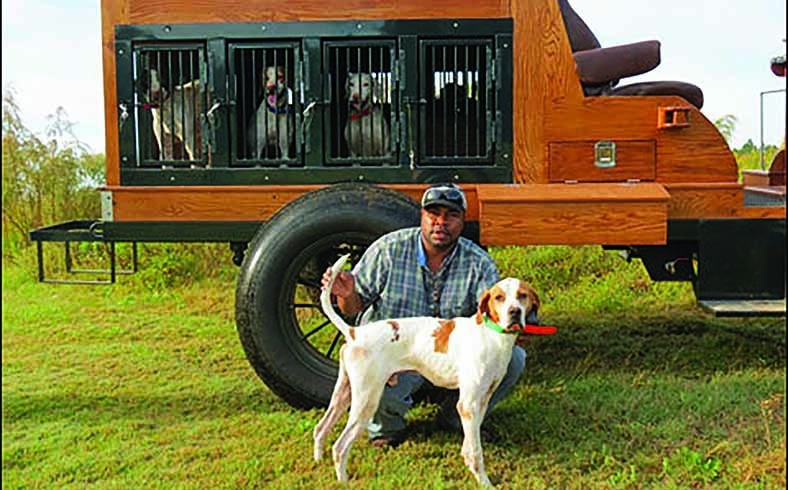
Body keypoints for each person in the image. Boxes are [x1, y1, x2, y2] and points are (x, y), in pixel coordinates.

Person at [321, 183, 527, 447]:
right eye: (433, 214)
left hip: (453, 357)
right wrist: (346, 294)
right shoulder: (389, 249)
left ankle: (459, 418)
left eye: (451, 215)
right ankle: (386, 429)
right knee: (375, 369)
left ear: (463, 221)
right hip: (395, 352)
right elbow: (352, 309)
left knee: (513, 360)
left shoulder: (479, 263)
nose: (441, 222)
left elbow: (490, 321)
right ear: (421, 216)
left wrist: (515, 323)